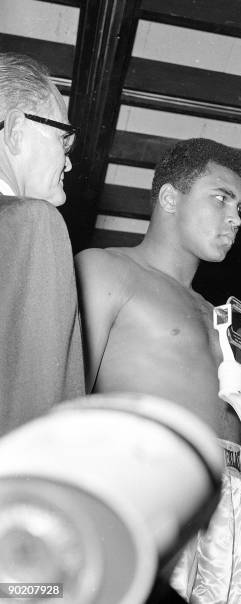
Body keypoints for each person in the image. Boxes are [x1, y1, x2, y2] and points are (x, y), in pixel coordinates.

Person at [75, 138, 241, 603]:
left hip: (233, 501)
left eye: (239, 207)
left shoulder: (221, 316)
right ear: (170, 198)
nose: (236, 218)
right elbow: (66, 390)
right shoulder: (105, 269)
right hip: (150, 485)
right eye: (221, 198)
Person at [0, 52, 83, 435]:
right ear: (17, 130)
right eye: (63, 141)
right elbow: (34, 420)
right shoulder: (32, 221)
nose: (68, 163)